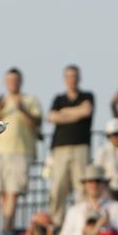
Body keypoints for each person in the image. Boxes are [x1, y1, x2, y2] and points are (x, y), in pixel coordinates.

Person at [0, 67, 43, 233]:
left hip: (21, 151)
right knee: (2, 193)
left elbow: (37, 122)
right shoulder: (1, 103)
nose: (13, 83)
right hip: (0, 152)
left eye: (16, 80)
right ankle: (6, 228)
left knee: (13, 192)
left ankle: (5, 230)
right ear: (6, 82)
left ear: (21, 81)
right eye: (10, 80)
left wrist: (23, 109)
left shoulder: (31, 100)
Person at [46, 64, 95, 224]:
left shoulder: (87, 95)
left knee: (82, 188)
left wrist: (64, 113)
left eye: (74, 76)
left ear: (79, 78)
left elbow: (86, 111)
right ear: (64, 79)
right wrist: (76, 112)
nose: (71, 79)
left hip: (81, 147)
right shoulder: (58, 99)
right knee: (58, 188)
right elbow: (52, 117)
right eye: (68, 76)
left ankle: (82, 223)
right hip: (60, 148)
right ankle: (56, 224)